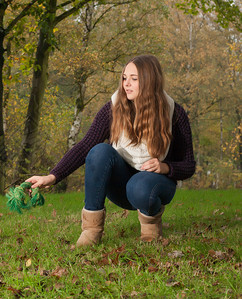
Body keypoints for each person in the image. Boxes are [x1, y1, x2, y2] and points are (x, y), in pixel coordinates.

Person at [26, 54, 196, 246]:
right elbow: (85, 146)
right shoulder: (114, 108)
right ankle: (91, 232)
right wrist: (52, 176)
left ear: (150, 81)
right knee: (99, 151)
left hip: (153, 187)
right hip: (122, 188)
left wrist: (165, 167)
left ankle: (151, 228)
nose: (126, 84)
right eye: (124, 78)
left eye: (134, 79)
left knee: (139, 186)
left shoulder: (174, 113)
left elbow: (189, 166)